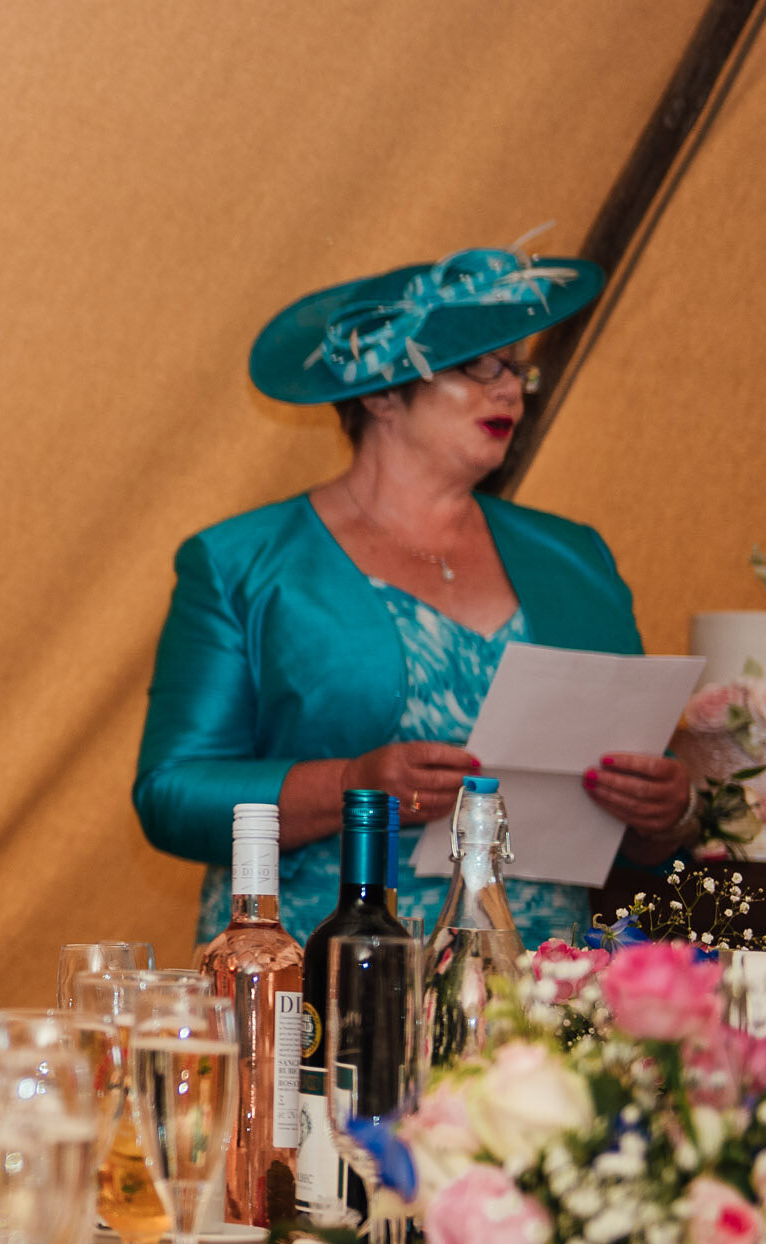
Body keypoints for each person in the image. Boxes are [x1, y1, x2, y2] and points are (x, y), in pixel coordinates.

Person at [134, 245, 694, 945]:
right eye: (478, 365)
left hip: (537, 996)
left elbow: (633, 830)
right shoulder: (242, 561)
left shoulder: (577, 556)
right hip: (317, 977)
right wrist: (351, 785)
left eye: (517, 367)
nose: (511, 390)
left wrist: (665, 812)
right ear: (379, 392)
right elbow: (171, 793)